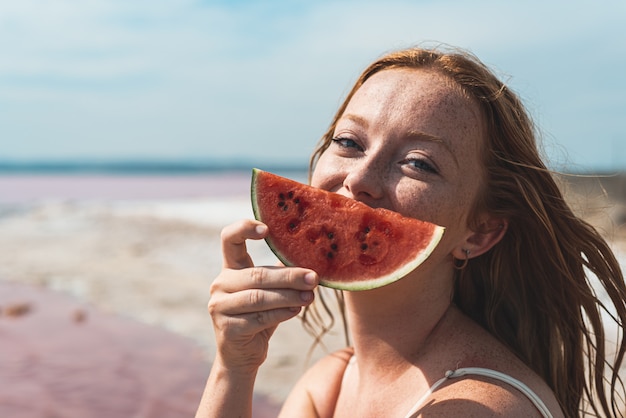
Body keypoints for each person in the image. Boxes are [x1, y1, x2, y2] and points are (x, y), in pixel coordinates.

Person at [195, 44, 626, 417]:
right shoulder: (331, 384)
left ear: (480, 232)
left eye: (419, 162)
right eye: (348, 142)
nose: (360, 177)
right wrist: (233, 367)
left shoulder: (476, 408)